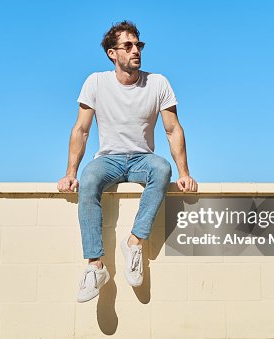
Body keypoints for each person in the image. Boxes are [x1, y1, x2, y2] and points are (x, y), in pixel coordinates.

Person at [57, 20, 197, 303]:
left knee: (162, 168)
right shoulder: (96, 82)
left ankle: (134, 242)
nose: (136, 51)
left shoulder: (158, 83)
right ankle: (95, 266)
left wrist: (184, 172)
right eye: (128, 46)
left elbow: (173, 129)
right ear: (112, 53)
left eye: (139, 45)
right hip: (108, 159)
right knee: (90, 178)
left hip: (142, 159)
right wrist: (70, 172)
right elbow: (81, 130)